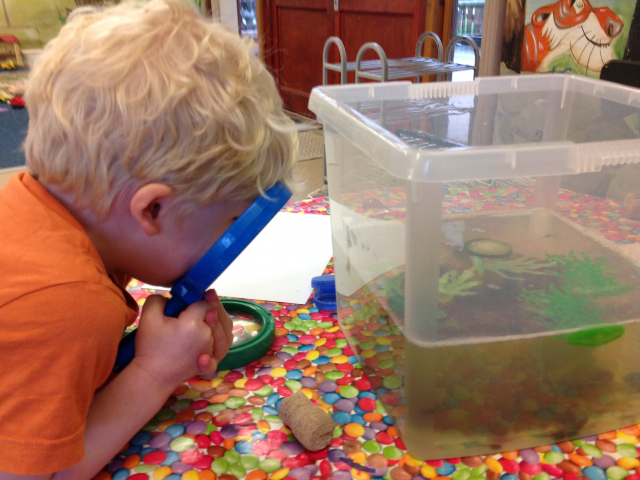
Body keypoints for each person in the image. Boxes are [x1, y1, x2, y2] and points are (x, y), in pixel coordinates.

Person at [0, 0, 297, 476]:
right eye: (227, 224)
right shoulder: (66, 304)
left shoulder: (32, 210)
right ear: (153, 209)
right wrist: (152, 374)